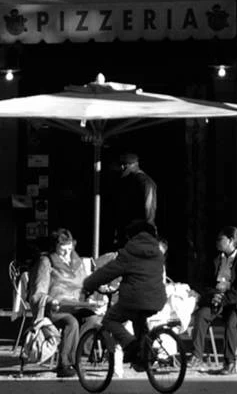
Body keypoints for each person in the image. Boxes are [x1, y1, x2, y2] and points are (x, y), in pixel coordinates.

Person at [81, 218, 167, 371]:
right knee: (139, 321)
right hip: (157, 300)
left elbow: (108, 272)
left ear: (132, 236)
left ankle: (131, 345)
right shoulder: (158, 254)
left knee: (109, 319)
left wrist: (89, 284)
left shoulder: (129, 253)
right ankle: (143, 355)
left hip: (134, 300)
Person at [30, 226, 102, 380]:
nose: (67, 254)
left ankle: (77, 355)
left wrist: (88, 299)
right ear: (54, 248)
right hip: (55, 308)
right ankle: (64, 364)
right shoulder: (46, 262)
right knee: (72, 322)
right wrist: (51, 300)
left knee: (93, 319)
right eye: (62, 250)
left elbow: (84, 285)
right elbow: (38, 291)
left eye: (69, 249)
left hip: (76, 304)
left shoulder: (77, 261)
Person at [190, 225, 237, 375]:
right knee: (201, 314)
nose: (217, 242)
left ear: (230, 240)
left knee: (231, 323)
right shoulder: (216, 259)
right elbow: (205, 283)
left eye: (220, 239)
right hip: (216, 298)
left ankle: (229, 362)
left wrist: (224, 299)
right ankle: (197, 355)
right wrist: (213, 295)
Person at [113, 153, 157, 243]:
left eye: (125, 165)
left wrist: (147, 230)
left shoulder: (145, 182)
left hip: (140, 233)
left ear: (133, 165)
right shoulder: (130, 181)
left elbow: (149, 209)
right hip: (132, 232)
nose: (121, 168)